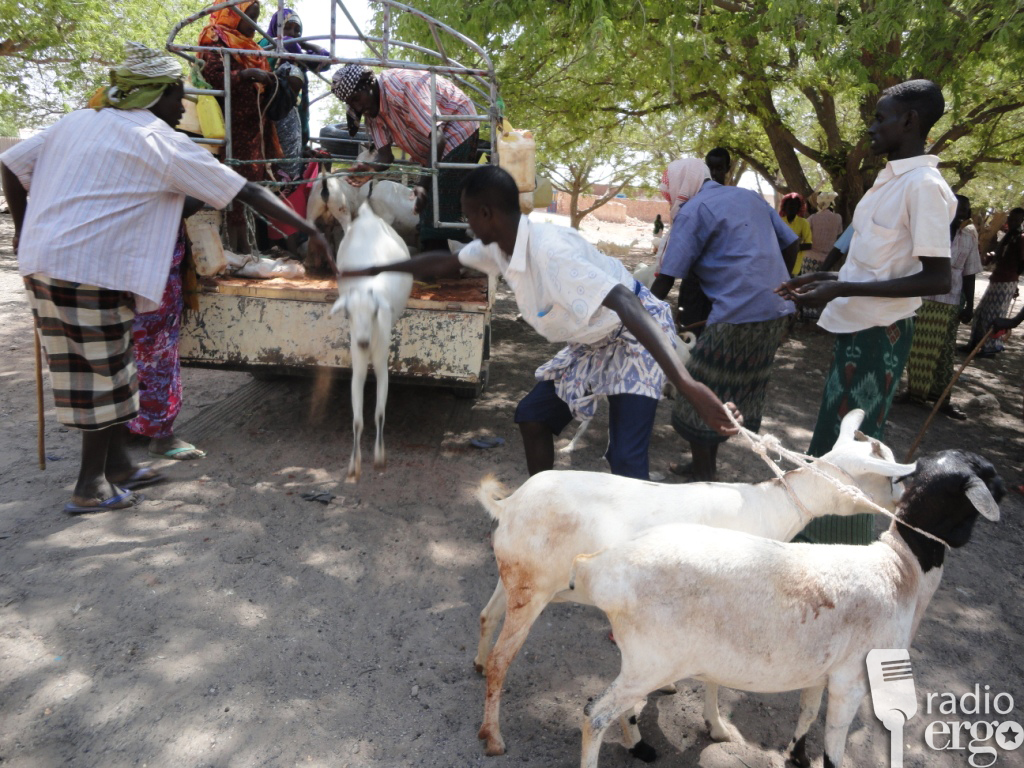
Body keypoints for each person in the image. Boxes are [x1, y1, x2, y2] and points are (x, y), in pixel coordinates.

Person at [0, 42, 331, 514]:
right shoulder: (158, 139)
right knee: (104, 376)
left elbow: (11, 165)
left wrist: (22, 226)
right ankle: (90, 484)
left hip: (52, 261)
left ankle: (118, 466)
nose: (183, 109)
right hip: (88, 267)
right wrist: (309, 230)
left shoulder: (77, 120)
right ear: (162, 92)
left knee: (113, 368)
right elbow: (247, 189)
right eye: (180, 98)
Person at [340, 165, 741, 479]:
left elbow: (624, 301)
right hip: (596, 340)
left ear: (487, 213)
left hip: (634, 335)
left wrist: (687, 386)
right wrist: (376, 267)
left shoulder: (550, 254)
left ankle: (631, 558)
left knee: (626, 459)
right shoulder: (500, 247)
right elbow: (445, 262)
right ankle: (542, 513)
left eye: (468, 217)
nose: (466, 227)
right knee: (533, 417)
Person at [778, 79, 956, 543]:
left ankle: (839, 553)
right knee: (832, 446)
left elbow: (939, 278)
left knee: (849, 456)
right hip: (861, 331)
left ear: (910, 121)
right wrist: (830, 280)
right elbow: (881, 267)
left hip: (881, 336)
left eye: (880, 118)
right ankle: (815, 542)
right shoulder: (891, 181)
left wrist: (844, 288)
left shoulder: (923, 187)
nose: (871, 128)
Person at [651, 158, 799, 481]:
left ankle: (705, 475)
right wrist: (781, 284)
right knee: (731, 389)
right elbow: (792, 242)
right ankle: (703, 465)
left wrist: (635, 309)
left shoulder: (693, 211)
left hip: (737, 315)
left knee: (697, 393)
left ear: (683, 183)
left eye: (670, 189)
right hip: (775, 312)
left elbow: (666, 279)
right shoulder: (748, 196)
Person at [331, 64, 479, 250]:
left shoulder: (404, 86)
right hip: (435, 145)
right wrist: (369, 168)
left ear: (368, 84)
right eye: (352, 104)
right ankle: (449, 258)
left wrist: (422, 184)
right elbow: (385, 156)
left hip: (458, 127)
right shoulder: (372, 113)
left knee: (436, 201)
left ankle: (449, 259)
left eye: (357, 99)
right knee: (433, 207)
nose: (358, 107)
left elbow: (438, 137)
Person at [197, 0, 288, 253]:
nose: (255, 24)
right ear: (232, 16)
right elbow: (212, 76)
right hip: (228, 129)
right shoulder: (215, 38)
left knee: (248, 191)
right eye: (251, 16)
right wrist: (247, 75)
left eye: (257, 17)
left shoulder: (249, 46)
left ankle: (245, 250)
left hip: (252, 131)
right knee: (230, 190)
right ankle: (230, 250)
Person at [900, 194, 981, 419]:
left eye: (966, 208)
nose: (962, 212)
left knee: (944, 353)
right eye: (959, 207)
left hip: (951, 302)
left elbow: (970, 274)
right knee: (917, 349)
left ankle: (942, 399)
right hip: (923, 299)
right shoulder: (931, 232)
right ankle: (913, 392)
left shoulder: (969, 238)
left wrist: (969, 306)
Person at [968, 207, 1023, 356]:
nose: (1011, 222)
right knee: (981, 313)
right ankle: (975, 344)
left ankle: (990, 347)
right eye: (1010, 218)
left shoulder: (1020, 238)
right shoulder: (1009, 237)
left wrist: (1014, 279)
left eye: (1016, 220)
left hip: (1006, 282)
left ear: (1021, 221)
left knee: (993, 315)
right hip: (998, 279)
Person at [779, 193, 813, 276]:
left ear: (798, 208)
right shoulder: (779, 221)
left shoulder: (803, 223)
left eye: (794, 205)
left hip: (795, 265)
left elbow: (809, 245)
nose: (791, 208)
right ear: (784, 207)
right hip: (779, 261)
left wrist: (793, 247)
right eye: (789, 205)